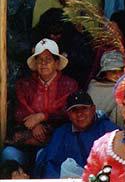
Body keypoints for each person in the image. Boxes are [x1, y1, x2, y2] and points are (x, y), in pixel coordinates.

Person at [3, 39, 78, 167]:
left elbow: (70, 111)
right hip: (26, 142)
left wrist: (43, 116)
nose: (43, 64)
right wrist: (35, 125)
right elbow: (20, 110)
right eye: (39, 60)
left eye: (48, 60)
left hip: (56, 143)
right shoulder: (24, 84)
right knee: (9, 154)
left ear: (56, 62)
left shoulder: (69, 85)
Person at [37, 91, 118, 182]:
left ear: (93, 109)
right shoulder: (61, 133)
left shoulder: (109, 130)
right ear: (68, 114)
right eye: (74, 110)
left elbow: (117, 165)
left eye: (84, 109)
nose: (80, 114)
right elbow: (50, 166)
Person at [88, 50, 125, 127]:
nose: (118, 75)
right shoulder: (95, 87)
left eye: (120, 71)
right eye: (113, 72)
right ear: (105, 72)